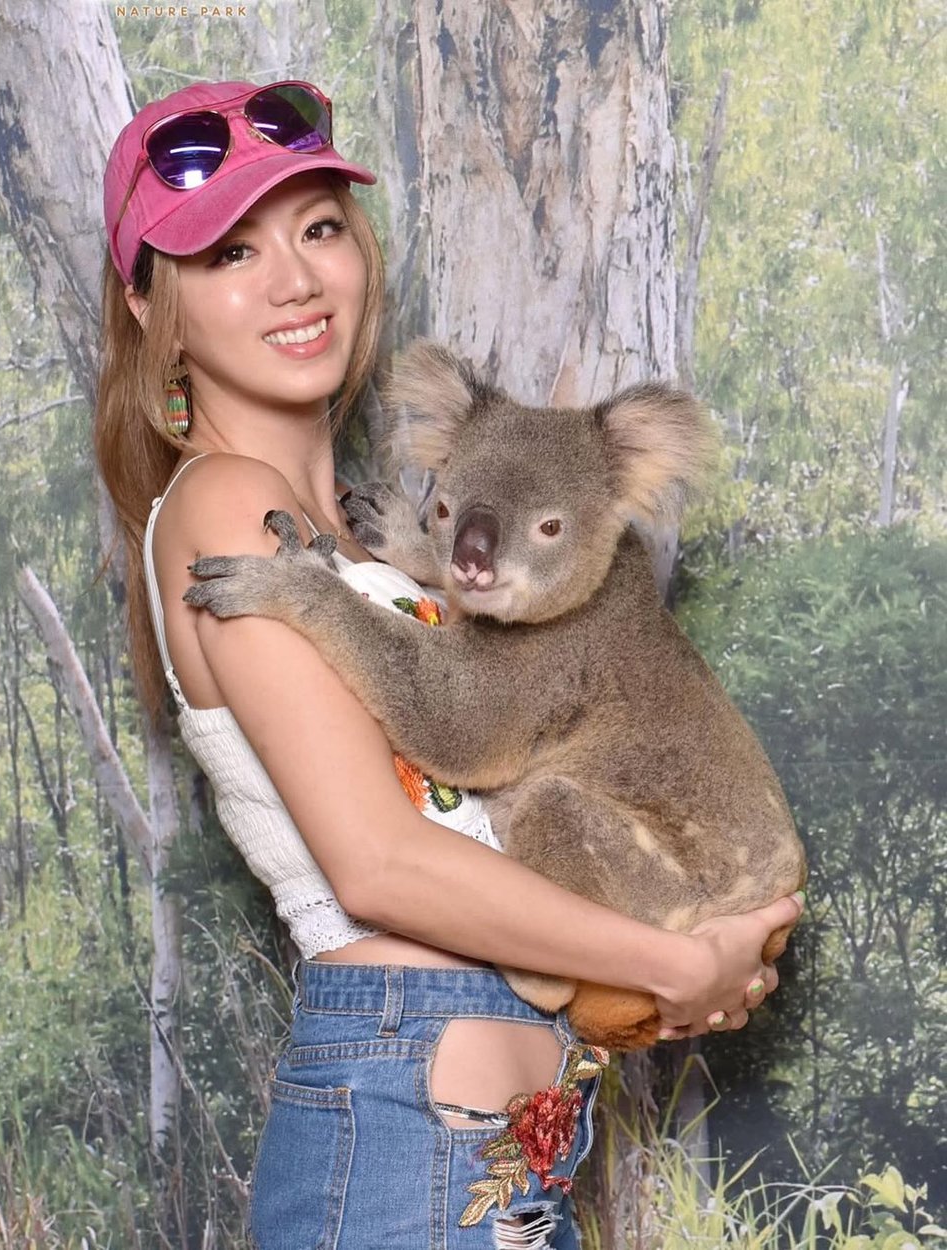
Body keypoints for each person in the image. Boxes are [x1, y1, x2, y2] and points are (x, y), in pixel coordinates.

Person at [95, 78, 804, 1250]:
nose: (294, 281)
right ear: (155, 311)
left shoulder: (356, 536)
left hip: (501, 1142)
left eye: (319, 230)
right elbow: (377, 865)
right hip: (399, 1130)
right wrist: (677, 958)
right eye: (231, 255)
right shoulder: (229, 507)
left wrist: (688, 952)